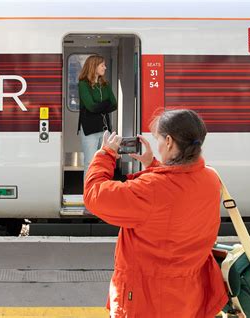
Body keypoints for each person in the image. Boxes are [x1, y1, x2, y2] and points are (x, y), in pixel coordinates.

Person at [84, 109, 228, 318]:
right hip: (189, 296)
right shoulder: (210, 179)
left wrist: (106, 154)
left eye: (159, 139)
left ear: (169, 141)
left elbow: (94, 195)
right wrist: (152, 164)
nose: (158, 145)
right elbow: (175, 191)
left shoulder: (152, 190)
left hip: (147, 302)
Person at [78, 55, 117, 178]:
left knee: (104, 163)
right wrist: (105, 104)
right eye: (102, 65)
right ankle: (88, 195)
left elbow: (114, 104)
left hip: (105, 129)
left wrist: (100, 105)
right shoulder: (83, 84)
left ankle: (101, 192)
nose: (105, 67)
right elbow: (91, 107)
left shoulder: (105, 84)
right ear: (94, 66)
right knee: (90, 163)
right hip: (90, 129)